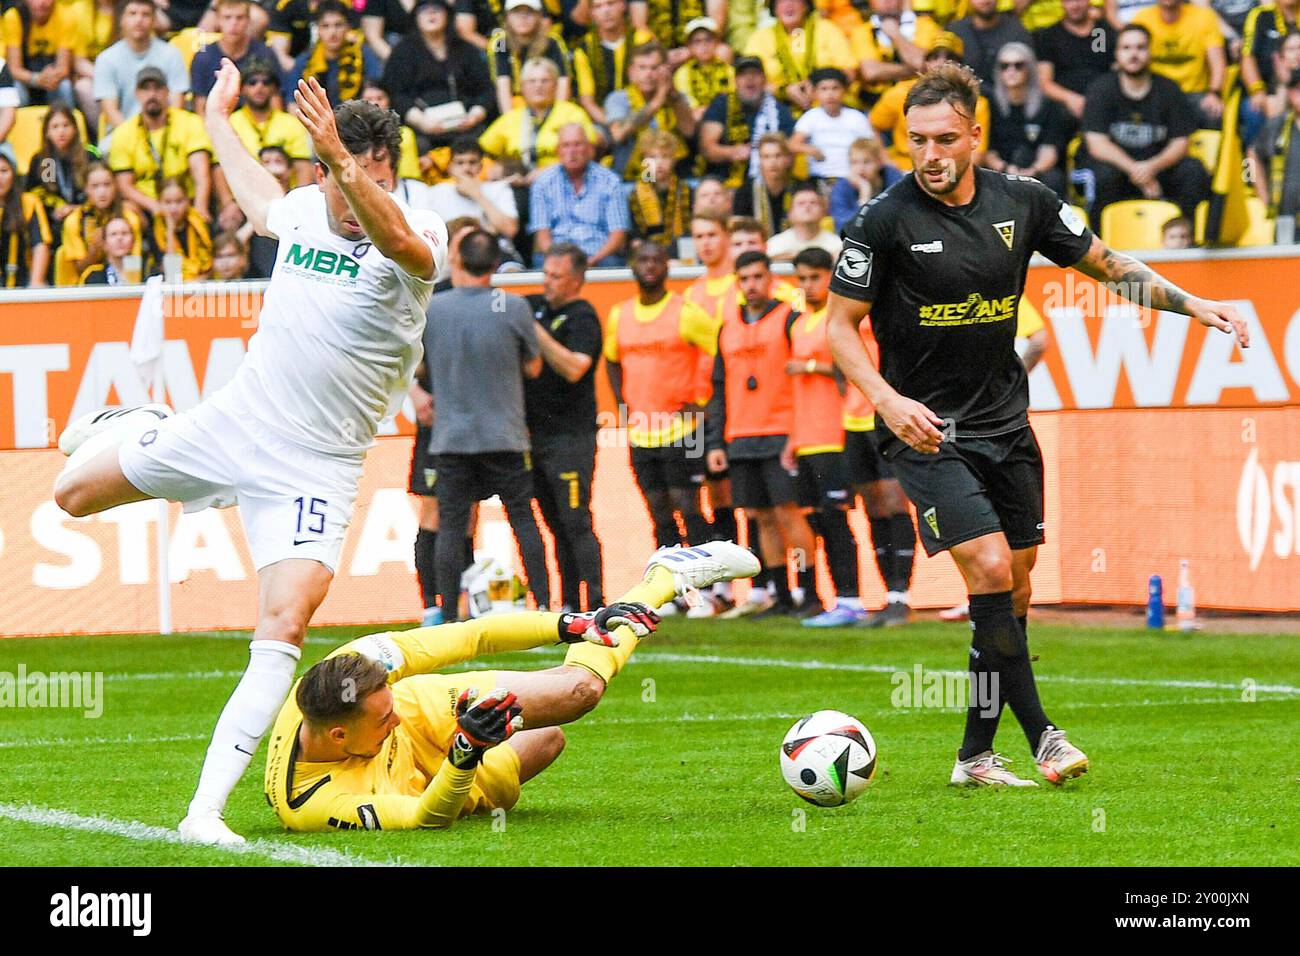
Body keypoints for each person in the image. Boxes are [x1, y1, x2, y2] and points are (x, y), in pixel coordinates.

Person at [53, 59, 448, 844]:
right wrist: (215, 119)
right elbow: (263, 200)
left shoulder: (418, 229)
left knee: (283, 627)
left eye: (350, 176)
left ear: (381, 170)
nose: (336, 197)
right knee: (70, 495)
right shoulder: (306, 204)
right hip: (235, 421)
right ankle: (139, 418)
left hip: (317, 466)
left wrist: (339, 161)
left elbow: (402, 244)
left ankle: (203, 814)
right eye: (329, 177)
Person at [826, 62, 1249, 786]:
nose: (929, 155)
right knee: (989, 569)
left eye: (945, 139)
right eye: (917, 140)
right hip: (926, 431)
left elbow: (1110, 266)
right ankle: (1043, 735)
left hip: (1006, 425)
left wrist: (1195, 305)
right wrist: (887, 401)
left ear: (975, 136)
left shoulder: (1023, 201)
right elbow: (837, 328)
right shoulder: (882, 221)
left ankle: (973, 757)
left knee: (1013, 594)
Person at [262, 541, 759, 832]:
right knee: (548, 739)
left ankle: (665, 575)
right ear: (339, 738)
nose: (389, 723)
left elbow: (471, 634)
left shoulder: (356, 666)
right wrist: (465, 752)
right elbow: (423, 817)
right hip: (431, 773)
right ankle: (477, 754)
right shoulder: (312, 803)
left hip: (430, 713)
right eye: (381, 719)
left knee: (577, 693)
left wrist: (572, 625)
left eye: (387, 706)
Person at [424, 228, 553, 621]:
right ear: (496, 265)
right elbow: (533, 367)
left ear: (457, 260)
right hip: (505, 435)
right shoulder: (512, 307)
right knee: (522, 518)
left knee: (451, 526)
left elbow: (419, 366)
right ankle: (544, 605)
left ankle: (447, 614)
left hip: (452, 438)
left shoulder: (435, 308)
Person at [605, 241, 721, 605]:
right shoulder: (619, 315)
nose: (650, 265)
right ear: (632, 267)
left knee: (688, 507)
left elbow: (721, 351)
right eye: (643, 259)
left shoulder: (686, 312)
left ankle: (707, 591)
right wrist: (622, 404)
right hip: (642, 432)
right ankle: (670, 593)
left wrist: (704, 404)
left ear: (667, 267)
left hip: (683, 431)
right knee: (658, 512)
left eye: (657, 259)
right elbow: (611, 360)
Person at [706, 250, 820, 618]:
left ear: (770, 279)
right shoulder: (728, 328)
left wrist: (798, 433)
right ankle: (780, 595)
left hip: (781, 432)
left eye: (757, 277)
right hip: (741, 435)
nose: (751, 285)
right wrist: (715, 441)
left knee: (789, 513)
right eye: (744, 279)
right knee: (760, 517)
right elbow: (718, 389)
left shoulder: (790, 319)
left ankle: (810, 591)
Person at [785, 246, 871, 627]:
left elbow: (847, 369)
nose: (808, 285)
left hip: (835, 434)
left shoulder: (841, 319)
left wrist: (807, 365)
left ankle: (851, 598)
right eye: (802, 278)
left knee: (836, 520)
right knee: (815, 522)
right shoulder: (800, 322)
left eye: (815, 276)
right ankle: (823, 596)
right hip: (805, 437)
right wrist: (791, 438)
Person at [525, 242, 606, 612]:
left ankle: (598, 601)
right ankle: (570, 603)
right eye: (545, 274)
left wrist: (536, 334)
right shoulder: (536, 307)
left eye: (556, 276)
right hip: (535, 437)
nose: (547, 282)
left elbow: (575, 368)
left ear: (576, 280)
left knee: (576, 521)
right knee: (555, 524)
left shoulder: (582, 317)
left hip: (570, 438)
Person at [1082, 23, 1210, 222]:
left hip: (1159, 167)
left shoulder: (1169, 90)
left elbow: (1181, 143)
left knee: (1193, 170)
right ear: (1116, 53)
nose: (1134, 54)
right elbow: (1096, 144)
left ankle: (1187, 238)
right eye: (1126, 48)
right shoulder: (1100, 89)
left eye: (1140, 47)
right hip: (1120, 168)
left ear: (1150, 52)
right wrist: (1136, 170)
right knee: (1103, 175)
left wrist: (1151, 168)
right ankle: (1099, 244)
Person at [684, 210, 746, 615]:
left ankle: (756, 588)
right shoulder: (691, 294)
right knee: (701, 496)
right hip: (701, 411)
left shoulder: (740, 288)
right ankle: (716, 587)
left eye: (712, 234)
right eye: (699, 236)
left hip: (738, 405)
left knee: (742, 498)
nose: (706, 243)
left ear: (727, 237)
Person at [107, 66, 217, 222]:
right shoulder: (123, 134)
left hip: (187, 204)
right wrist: (155, 207)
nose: (152, 94)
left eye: (157, 88)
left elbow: (201, 173)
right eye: (145, 89)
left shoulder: (190, 123)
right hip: (147, 209)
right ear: (136, 94)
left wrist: (200, 207)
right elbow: (125, 185)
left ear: (167, 92)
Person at [382, 0, 494, 153]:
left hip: (466, 124)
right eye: (424, 10)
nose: (431, 14)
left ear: (448, 15)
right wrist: (421, 122)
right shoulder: (402, 52)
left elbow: (486, 90)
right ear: (415, 17)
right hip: (421, 127)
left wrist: (474, 116)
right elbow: (396, 94)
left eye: (436, 9)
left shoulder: (466, 49)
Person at [870, 33, 991, 172]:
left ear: (960, 65)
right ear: (926, 63)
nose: (941, 63)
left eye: (949, 58)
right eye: (934, 57)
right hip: (904, 168)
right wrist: (887, 164)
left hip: (951, 170)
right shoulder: (900, 92)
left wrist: (950, 175)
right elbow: (873, 125)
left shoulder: (976, 104)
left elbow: (977, 154)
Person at [478, 57, 596, 182]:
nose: (538, 86)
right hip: (518, 184)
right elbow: (480, 151)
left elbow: (587, 154)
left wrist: (551, 171)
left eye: (544, 81)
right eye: (532, 81)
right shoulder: (511, 118)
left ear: (556, 85)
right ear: (522, 86)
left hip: (563, 182)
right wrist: (496, 168)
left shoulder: (572, 114)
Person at [528, 123, 629, 267]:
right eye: (566, 145)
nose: (572, 151)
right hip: (557, 255)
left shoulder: (610, 181)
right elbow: (542, 237)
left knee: (612, 262)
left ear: (589, 148)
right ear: (558, 151)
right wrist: (561, 262)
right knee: (541, 261)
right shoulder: (543, 183)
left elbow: (618, 236)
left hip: (600, 256)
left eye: (577, 144)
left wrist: (592, 260)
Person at [92, 0, 190, 138]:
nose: (139, 20)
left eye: (146, 14)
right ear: (121, 19)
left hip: (166, 135)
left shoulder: (172, 54)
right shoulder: (106, 59)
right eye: (132, 14)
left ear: (154, 20)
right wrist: (138, 140)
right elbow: (110, 111)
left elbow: (177, 105)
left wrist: (159, 137)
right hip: (123, 136)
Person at [985, 42, 1070, 198]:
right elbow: (989, 152)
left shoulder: (1048, 105)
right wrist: (1007, 169)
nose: (1011, 71)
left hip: (1037, 170)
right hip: (1001, 170)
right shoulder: (989, 105)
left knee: (1054, 178)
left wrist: (1033, 171)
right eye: (1004, 66)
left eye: (1018, 65)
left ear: (1029, 69)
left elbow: (1049, 150)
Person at [698, 55, 797, 188]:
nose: (749, 79)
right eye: (743, 75)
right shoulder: (722, 104)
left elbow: (790, 148)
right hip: (726, 182)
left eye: (755, 74)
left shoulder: (780, 110)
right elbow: (707, 148)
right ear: (736, 81)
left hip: (770, 183)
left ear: (764, 80)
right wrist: (732, 152)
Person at [744, 0, 856, 115]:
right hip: (778, 111)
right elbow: (747, 81)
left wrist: (819, 87)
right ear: (774, 8)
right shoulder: (760, 37)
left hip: (830, 109)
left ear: (806, 5)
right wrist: (783, 91)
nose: (788, 5)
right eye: (781, 1)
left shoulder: (826, 29)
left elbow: (849, 72)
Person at [604, 40, 696, 180]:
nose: (648, 74)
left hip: (673, 178)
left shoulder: (676, 98)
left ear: (665, 70)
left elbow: (689, 130)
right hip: (630, 178)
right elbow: (618, 133)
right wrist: (656, 103)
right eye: (642, 68)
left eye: (654, 68)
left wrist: (672, 95)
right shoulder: (618, 98)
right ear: (631, 72)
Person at [1132, 0, 1226, 127]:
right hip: (1155, 92)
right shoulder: (1142, 18)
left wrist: (1214, 93)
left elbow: (1218, 63)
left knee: (1213, 113)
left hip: (1194, 94)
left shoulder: (1204, 17)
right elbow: (1135, 60)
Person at [227, 57, 316, 188]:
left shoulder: (291, 124)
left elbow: (303, 169)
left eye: (266, 82)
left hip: (285, 198)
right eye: (252, 82)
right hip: (242, 198)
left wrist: (298, 203)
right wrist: (229, 203)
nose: (259, 87)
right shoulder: (230, 123)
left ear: (274, 88)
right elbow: (221, 168)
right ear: (242, 88)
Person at [24, 103, 97, 253]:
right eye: (55, 127)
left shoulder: (88, 156)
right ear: (47, 132)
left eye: (66, 125)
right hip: (55, 221)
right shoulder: (45, 161)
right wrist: (56, 209)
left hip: (86, 215)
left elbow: (98, 189)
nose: (61, 132)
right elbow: (42, 193)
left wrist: (78, 208)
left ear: (75, 129)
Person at [59, 160, 147, 282]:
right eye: (95, 186)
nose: (102, 192)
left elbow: (135, 261)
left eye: (107, 185)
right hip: (88, 285)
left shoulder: (129, 217)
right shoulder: (74, 221)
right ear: (86, 189)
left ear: (115, 185)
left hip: (126, 281)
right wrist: (94, 251)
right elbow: (77, 269)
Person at [572, 0, 655, 126]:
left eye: (611, 3)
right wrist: (613, 125)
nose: (606, 11)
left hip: (644, 114)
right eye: (598, 7)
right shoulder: (584, 49)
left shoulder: (643, 40)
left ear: (622, 5)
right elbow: (587, 101)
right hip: (604, 120)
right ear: (592, 13)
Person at [428, 136, 521, 248]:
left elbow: (510, 230)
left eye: (472, 162)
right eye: (460, 163)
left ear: (481, 166)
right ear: (450, 167)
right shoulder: (435, 192)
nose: (466, 168)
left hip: (495, 253)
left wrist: (477, 195)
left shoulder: (498, 189)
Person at [1035, 0, 1117, 125]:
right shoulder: (1049, 36)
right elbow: (1045, 83)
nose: (1075, 5)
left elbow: (1116, 72)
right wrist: (1069, 98)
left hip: (1103, 103)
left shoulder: (1101, 32)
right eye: (1068, 1)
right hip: (1063, 107)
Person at [189, 0, 277, 115]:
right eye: (227, 17)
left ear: (248, 20)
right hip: (216, 123)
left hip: (258, 124)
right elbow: (200, 107)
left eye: (239, 18)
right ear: (218, 20)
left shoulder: (265, 53)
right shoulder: (203, 57)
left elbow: (275, 98)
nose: (233, 23)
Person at [288, 0, 382, 106]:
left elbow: (376, 95)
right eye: (325, 26)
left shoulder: (364, 55)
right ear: (317, 29)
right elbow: (292, 104)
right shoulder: (304, 61)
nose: (332, 32)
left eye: (338, 25)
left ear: (348, 27)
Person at [488, 0, 572, 116]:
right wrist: (510, 121)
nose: (523, 18)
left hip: (550, 103)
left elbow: (563, 82)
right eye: (516, 13)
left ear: (539, 16)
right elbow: (503, 86)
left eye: (529, 13)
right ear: (507, 17)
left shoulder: (552, 42)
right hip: (517, 105)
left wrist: (556, 117)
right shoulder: (501, 43)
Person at [789, 67, 873, 182]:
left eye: (835, 88)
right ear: (815, 93)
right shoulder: (811, 117)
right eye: (824, 89)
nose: (830, 94)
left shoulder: (857, 117)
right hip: (819, 177)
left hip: (851, 177)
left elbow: (871, 146)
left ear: (844, 91)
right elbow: (793, 144)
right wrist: (810, 150)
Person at [849, 0, 939, 106]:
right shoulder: (862, 31)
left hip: (920, 99)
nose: (887, 1)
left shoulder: (925, 25)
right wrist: (916, 70)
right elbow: (871, 71)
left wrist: (895, 34)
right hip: (876, 102)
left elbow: (919, 62)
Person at [1249, 73, 1300, 232]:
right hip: (1284, 218)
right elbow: (1250, 158)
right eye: (1298, 89)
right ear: (1291, 93)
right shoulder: (1276, 126)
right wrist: (1262, 195)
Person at [628, 129, 692, 254]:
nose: (659, 163)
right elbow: (636, 233)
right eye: (652, 157)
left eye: (665, 156)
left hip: (683, 249)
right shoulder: (635, 194)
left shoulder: (686, 190)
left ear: (674, 159)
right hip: (649, 251)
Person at [3, 0, 74, 107]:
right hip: (25, 78)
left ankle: (65, 121)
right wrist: (37, 79)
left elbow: (63, 68)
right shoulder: (14, 16)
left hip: (52, 78)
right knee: (16, 90)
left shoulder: (65, 16)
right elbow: (14, 69)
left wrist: (50, 77)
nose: (41, 3)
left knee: (65, 86)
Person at [947, 0, 1032, 87]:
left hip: (1006, 96)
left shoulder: (1016, 31)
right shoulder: (955, 32)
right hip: (965, 95)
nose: (985, 1)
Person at [673, 15, 735, 131]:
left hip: (725, 120)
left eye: (708, 40)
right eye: (697, 41)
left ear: (716, 42)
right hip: (697, 123)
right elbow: (690, 106)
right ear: (689, 46)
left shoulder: (728, 70)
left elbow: (733, 98)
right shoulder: (682, 73)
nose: (703, 46)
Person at [0, 146, 51, 286]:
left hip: (23, 282)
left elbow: (40, 244)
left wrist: (36, 282)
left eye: (4, 171)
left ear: (14, 174)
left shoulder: (29, 202)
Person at [829, 135, 902, 229]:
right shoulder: (841, 188)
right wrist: (864, 196)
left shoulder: (893, 178)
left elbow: (900, 216)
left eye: (867, 162)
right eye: (854, 162)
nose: (860, 169)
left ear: (879, 162)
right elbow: (844, 229)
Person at [733, 132, 798, 236]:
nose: (773, 162)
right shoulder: (746, 191)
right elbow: (739, 228)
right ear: (760, 160)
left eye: (778, 156)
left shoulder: (798, 189)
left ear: (788, 159)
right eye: (766, 157)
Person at [152, 177, 213, 280]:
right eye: (168, 202)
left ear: (188, 201)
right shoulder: (154, 231)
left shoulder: (201, 223)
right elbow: (170, 271)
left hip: (203, 284)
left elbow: (212, 265)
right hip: (172, 288)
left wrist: (198, 281)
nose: (173, 208)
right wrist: (170, 231)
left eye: (179, 201)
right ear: (159, 203)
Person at [767, 182, 843, 261]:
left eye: (813, 203)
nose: (807, 207)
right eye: (801, 203)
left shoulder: (837, 245)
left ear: (823, 211)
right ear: (790, 213)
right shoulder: (774, 245)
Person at [78, 214, 139, 284]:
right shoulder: (92, 275)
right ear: (104, 243)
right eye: (113, 234)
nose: (119, 238)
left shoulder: (146, 272)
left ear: (133, 241)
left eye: (124, 233)